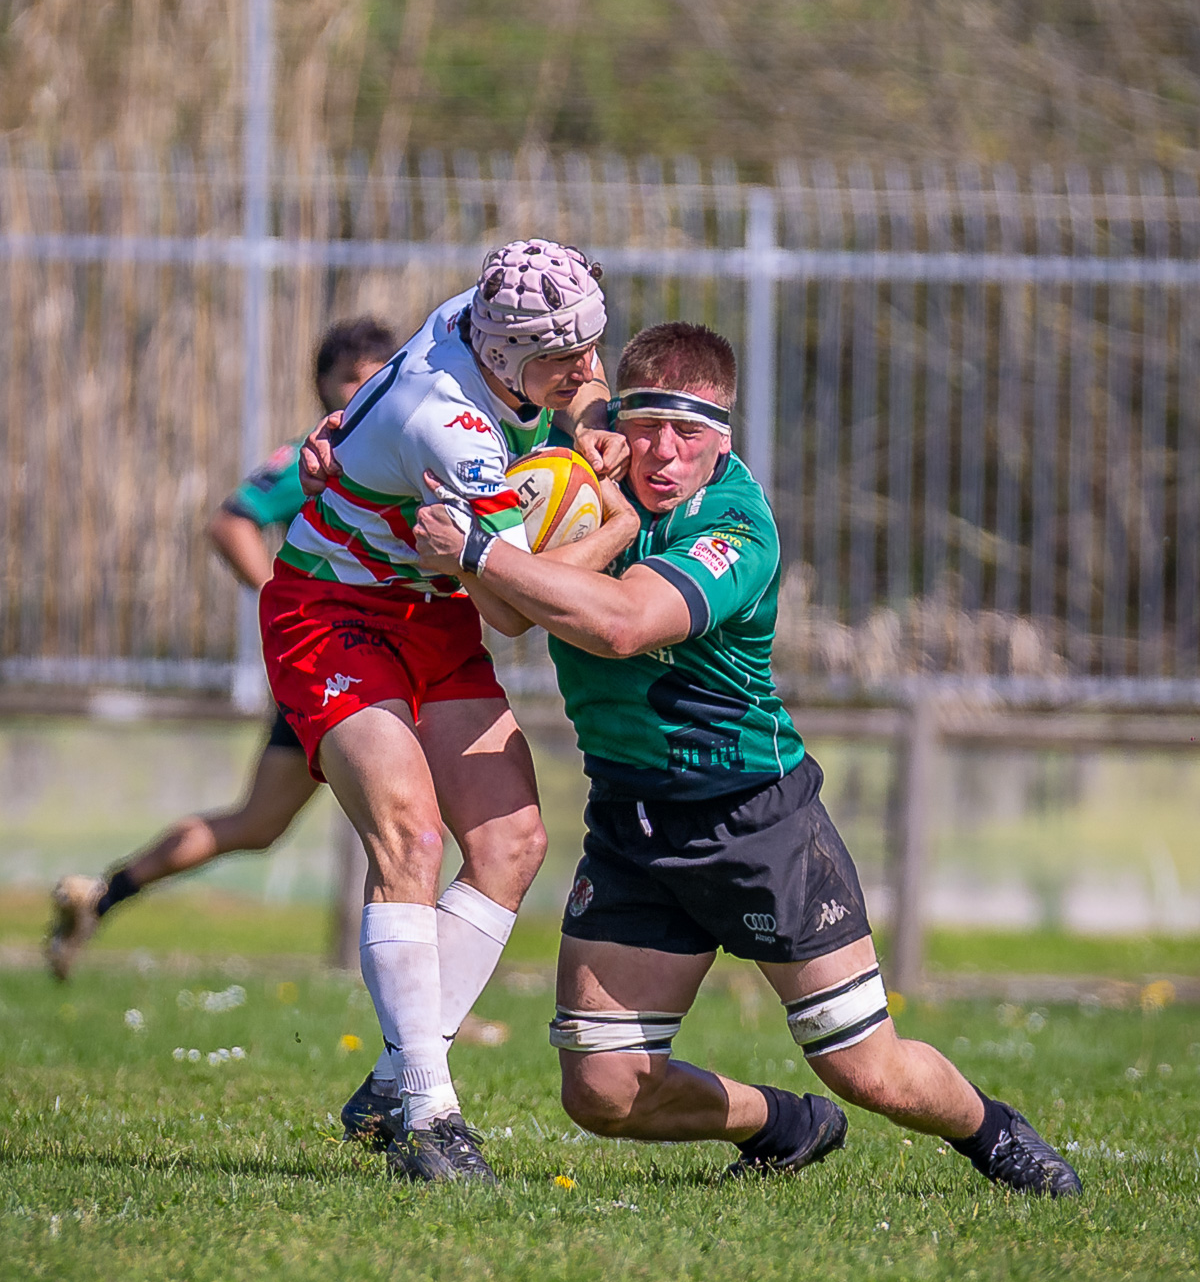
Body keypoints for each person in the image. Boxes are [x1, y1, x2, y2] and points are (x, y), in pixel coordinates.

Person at [414, 321, 1082, 1197]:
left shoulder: (735, 525)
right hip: (633, 823)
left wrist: (478, 550)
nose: (662, 454)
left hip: (755, 819)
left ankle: (994, 1131)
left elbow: (619, 626)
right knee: (602, 1092)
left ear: (722, 436)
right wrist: (343, 453)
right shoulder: (589, 465)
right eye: (644, 427)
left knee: (868, 1071)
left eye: (688, 435)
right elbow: (516, 576)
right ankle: (785, 1122)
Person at [260, 240, 631, 1185]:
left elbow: (571, 380)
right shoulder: (456, 428)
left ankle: (393, 1075)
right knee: (412, 840)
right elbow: (510, 609)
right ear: (503, 361)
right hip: (333, 609)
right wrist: (616, 523)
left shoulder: (492, 310)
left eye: (592, 345)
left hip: (428, 610)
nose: (588, 372)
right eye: (565, 361)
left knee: (511, 845)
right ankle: (430, 1118)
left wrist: (588, 422)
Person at [44, 317, 399, 982]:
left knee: (262, 824)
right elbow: (231, 519)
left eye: (375, 372)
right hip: (341, 665)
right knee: (408, 818)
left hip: (379, 662)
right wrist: (284, 603)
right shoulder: (324, 457)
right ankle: (426, 1004)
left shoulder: (410, 451)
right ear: (321, 387)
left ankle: (104, 893)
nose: (361, 388)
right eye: (347, 376)